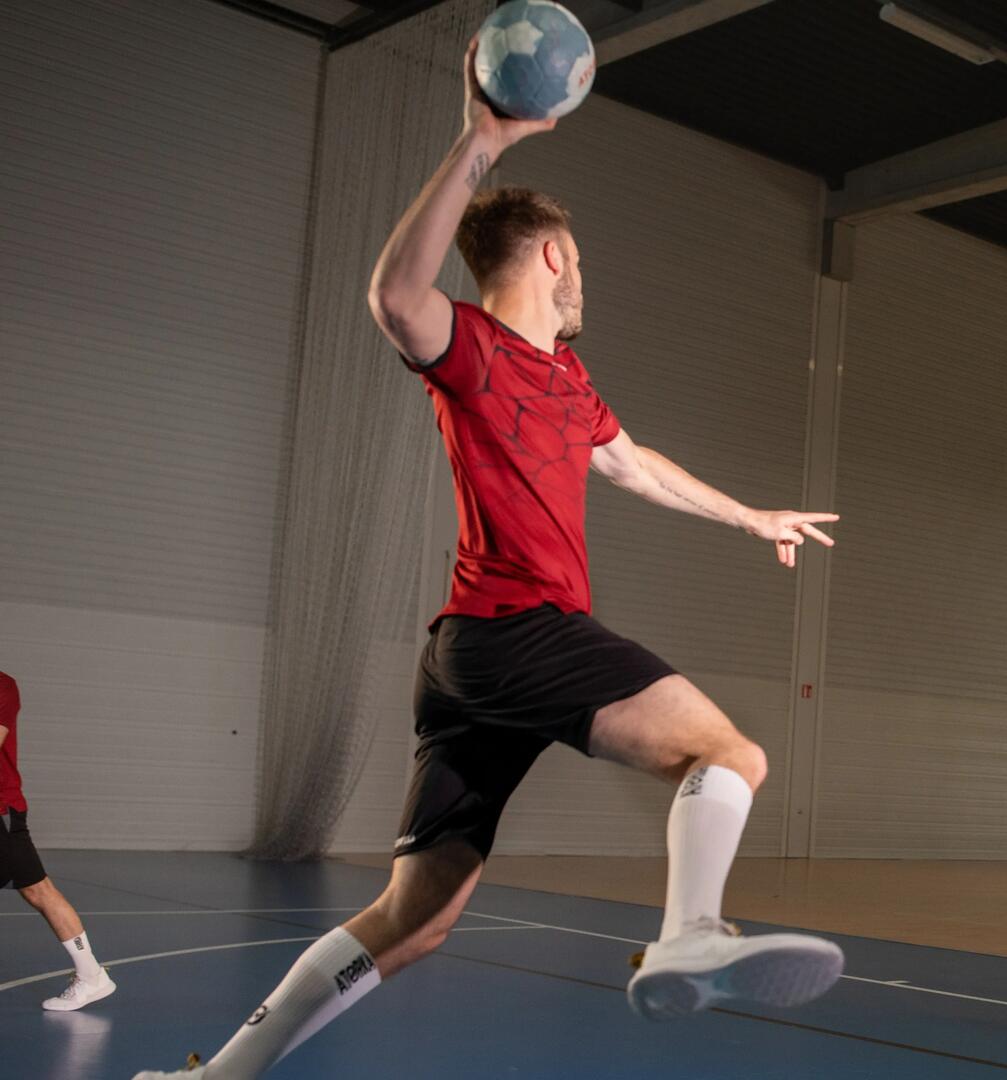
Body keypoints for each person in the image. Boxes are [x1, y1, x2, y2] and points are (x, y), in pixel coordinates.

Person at [136, 38, 844, 1080]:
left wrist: (752, 517)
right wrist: (485, 138)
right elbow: (392, 294)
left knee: (413, 921)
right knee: (731, 755)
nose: (583, 276)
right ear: (551, 256)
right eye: (580, 259)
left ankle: (218, 1079)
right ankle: (692, 931)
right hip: (518, 629)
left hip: (466, 665)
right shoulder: (470, 350)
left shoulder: (569, 379)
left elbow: (636, 465)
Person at [1, 670, 117, 1012]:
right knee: (39, 890)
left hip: (2, 809)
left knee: (39, 890)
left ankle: (92, 976)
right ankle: (92, 975)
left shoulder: (4, 686)